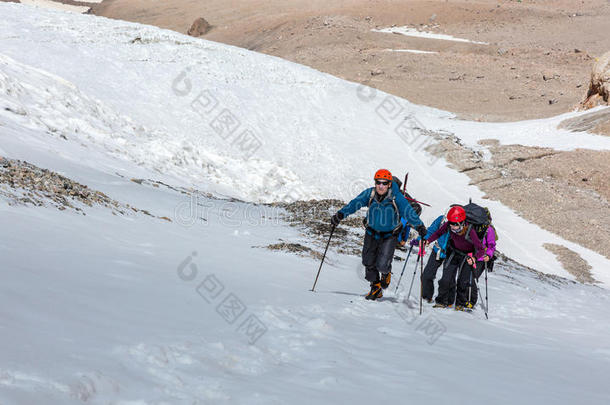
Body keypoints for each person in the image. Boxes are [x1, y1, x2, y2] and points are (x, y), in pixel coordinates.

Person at [331, 169, 427, 300]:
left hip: (389, 235)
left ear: (389, 184)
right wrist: (340, 214)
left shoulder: (396, 197)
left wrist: (419, 226)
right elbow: (355, 204)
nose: (381, 186)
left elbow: (408, 212)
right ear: (375, 183)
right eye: (378, 182)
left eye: (384, 183)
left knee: (382, 264)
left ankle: (386, 273)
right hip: (371, 232)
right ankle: (376, 287)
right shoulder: (369, 193)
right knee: (367, 261)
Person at [424, 205, 485, 310]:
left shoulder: (470, 230)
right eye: (451, 223)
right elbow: (438, 233)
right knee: (445, 279)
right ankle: (441, 301)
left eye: (454, 224)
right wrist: (428, 240)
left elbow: (480, 249)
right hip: (453, 253)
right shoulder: (448, 225)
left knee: (463, 281)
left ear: (461, 222)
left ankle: (460, 304)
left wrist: (474, 258)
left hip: (467, 257)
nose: (452, 226)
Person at [410, 213, 450, 303]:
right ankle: (426, 297)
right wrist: (422, 239)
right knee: (426, 275)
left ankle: (446, 301)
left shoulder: (461, 224)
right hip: (438, 250)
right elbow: (431, 230)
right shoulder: (441, 219)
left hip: (452, 253)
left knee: (447, 279)